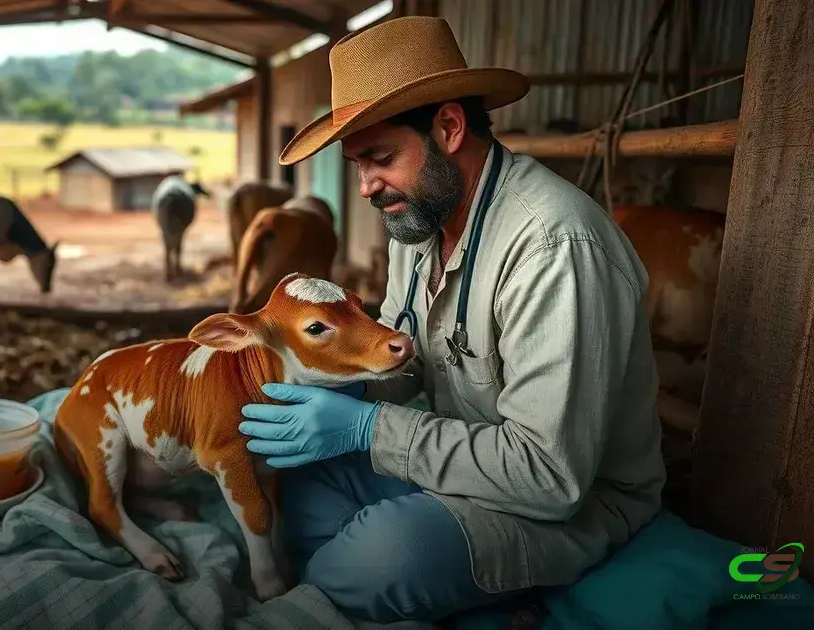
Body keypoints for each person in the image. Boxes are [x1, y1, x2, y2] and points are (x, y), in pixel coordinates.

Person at [237, 15, 666, 624]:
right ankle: (426, 581)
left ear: (449, 126)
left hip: (566, 498)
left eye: (380, 157)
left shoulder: (555, 247)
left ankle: (414, 578)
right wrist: (334, 383)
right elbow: (399, 353)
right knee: (303, 485)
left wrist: (367, 429)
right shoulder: (418, 220)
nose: (365, 187)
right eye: (357, 164)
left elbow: (550, 475)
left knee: (383, 556)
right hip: (457, 460)